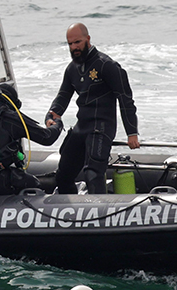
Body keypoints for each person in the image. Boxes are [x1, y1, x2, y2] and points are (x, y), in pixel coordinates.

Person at [46, 23, 140, 194]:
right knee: (63, 176)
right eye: (70, 44)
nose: (74, 47)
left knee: (92, 174)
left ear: (88, 39)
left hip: (101, 128)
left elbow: (125, 99)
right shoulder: (72, 69)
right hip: (81, 127)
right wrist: (52, 115)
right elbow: (63, 96)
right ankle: (72, 214)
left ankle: (99, 216)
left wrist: (132, 132)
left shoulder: (107, 65)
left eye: (77, 42)